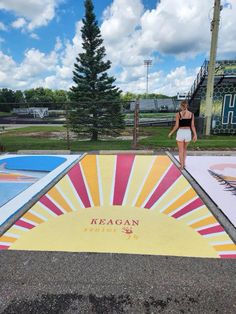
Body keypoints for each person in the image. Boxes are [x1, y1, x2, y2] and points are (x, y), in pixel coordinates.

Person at [168, 100, 197, 170]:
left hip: (181, 132)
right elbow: (192, 126)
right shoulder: (191, 114)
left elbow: (176, 126)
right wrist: (195, 135)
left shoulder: (178, 114)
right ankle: (184, 164)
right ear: (187, 106)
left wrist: (171, 132)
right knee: (184, 149)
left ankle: (181, 165)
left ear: (181, 106)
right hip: (188, 133)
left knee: (181, 150)